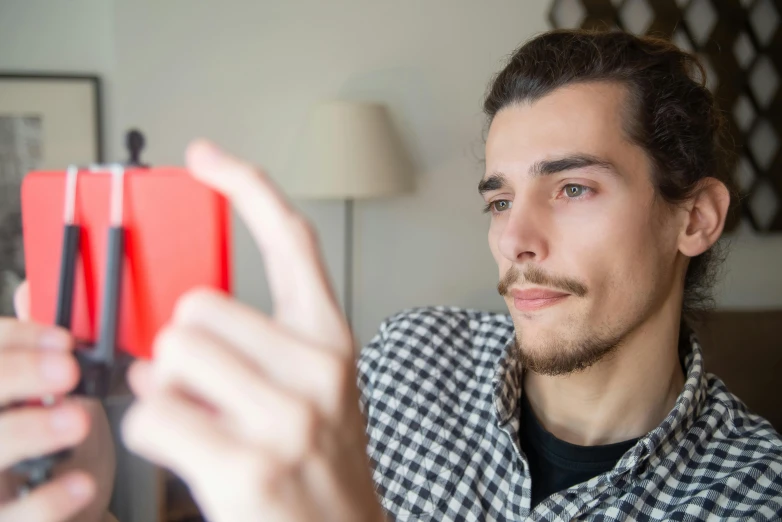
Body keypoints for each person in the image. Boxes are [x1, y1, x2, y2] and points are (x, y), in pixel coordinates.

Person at [0, 28, 780, 522]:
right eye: (499, 198)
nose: (515, 237)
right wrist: (79, 505)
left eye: (572, 188)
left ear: (695, 218)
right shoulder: (408, 358)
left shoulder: (755, 493)